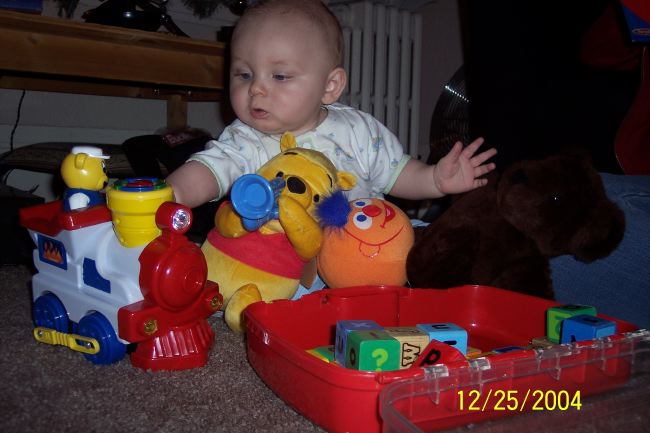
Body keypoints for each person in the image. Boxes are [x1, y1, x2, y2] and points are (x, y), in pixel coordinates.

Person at [166, 0, 496, 210]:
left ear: (330, 86)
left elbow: (397, 174)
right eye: (244, 74)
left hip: (356, 255)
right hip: (282, 266)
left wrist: (434, 180)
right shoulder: (245, 138)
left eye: (279, 76)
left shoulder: (358, 130)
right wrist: (169, 195)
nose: (256, 89)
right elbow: (209, 171)